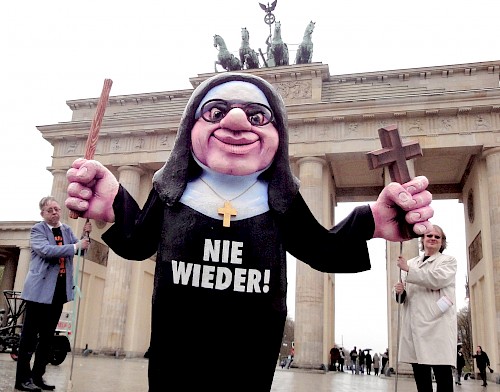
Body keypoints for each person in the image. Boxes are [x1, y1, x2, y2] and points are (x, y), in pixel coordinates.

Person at [65, 72, 433, 391]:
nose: (238, 120)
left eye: (258, 116)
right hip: (176, 348)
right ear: (189, 127)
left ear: (279, 133)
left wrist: (370, 220)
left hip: (252, 349)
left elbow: (320, 248)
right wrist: (113, 204)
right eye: (216, 112)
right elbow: (137, 242)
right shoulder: (172, 192)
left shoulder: (280, 201)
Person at [15, 196, 92, 392]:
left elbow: (80, 249)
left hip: (58, 292)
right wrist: (76, 246)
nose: (55, 212)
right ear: (43, 213)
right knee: (29, 338)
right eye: (50, 210)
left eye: (57, 209)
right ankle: (22, 379)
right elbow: (47, 251)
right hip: (39, 292)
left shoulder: (66, 230)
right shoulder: (37, 230)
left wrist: (85, 237)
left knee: (47, 337)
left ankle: (37, 377)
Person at [394, 224, 457, 392]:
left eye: (437, 237)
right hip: (414, 325)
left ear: (442, 242)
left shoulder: (448, 261)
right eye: (429, 235)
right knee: (421, 378)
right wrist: (400, 292)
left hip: (437, 324)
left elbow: (436, 279)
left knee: (442, 375)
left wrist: (408, 270)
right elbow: (404, 296)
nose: (433, 239)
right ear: (422, 239)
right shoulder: (411, 262)